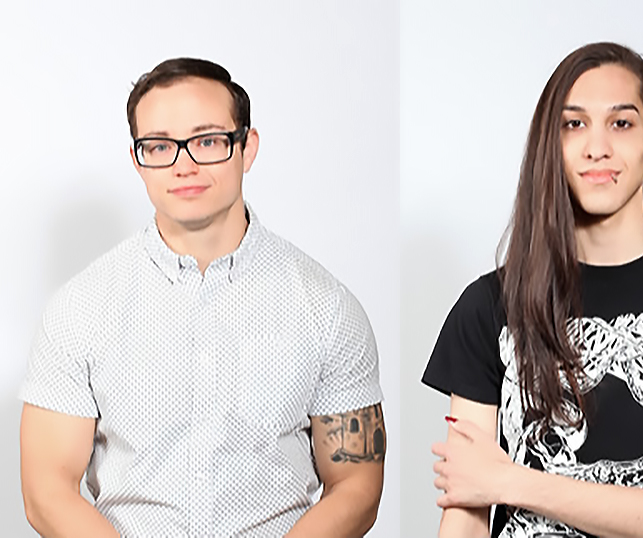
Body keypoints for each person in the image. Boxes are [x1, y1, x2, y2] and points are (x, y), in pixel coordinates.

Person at [422, 42, 643, 538]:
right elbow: (466, 508)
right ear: (552, 145)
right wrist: (489, 484)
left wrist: (511, 481)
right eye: (574, 124)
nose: (597, 147)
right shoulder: (489, 308)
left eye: (621, 123)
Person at [19, 58, 385, 537]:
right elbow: (47, 490)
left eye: (208, 141)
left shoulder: (326, 307)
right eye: (159, 146)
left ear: (246, 147)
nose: (183, 164)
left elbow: (357, 486)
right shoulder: (80, 308)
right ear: (137, 159)